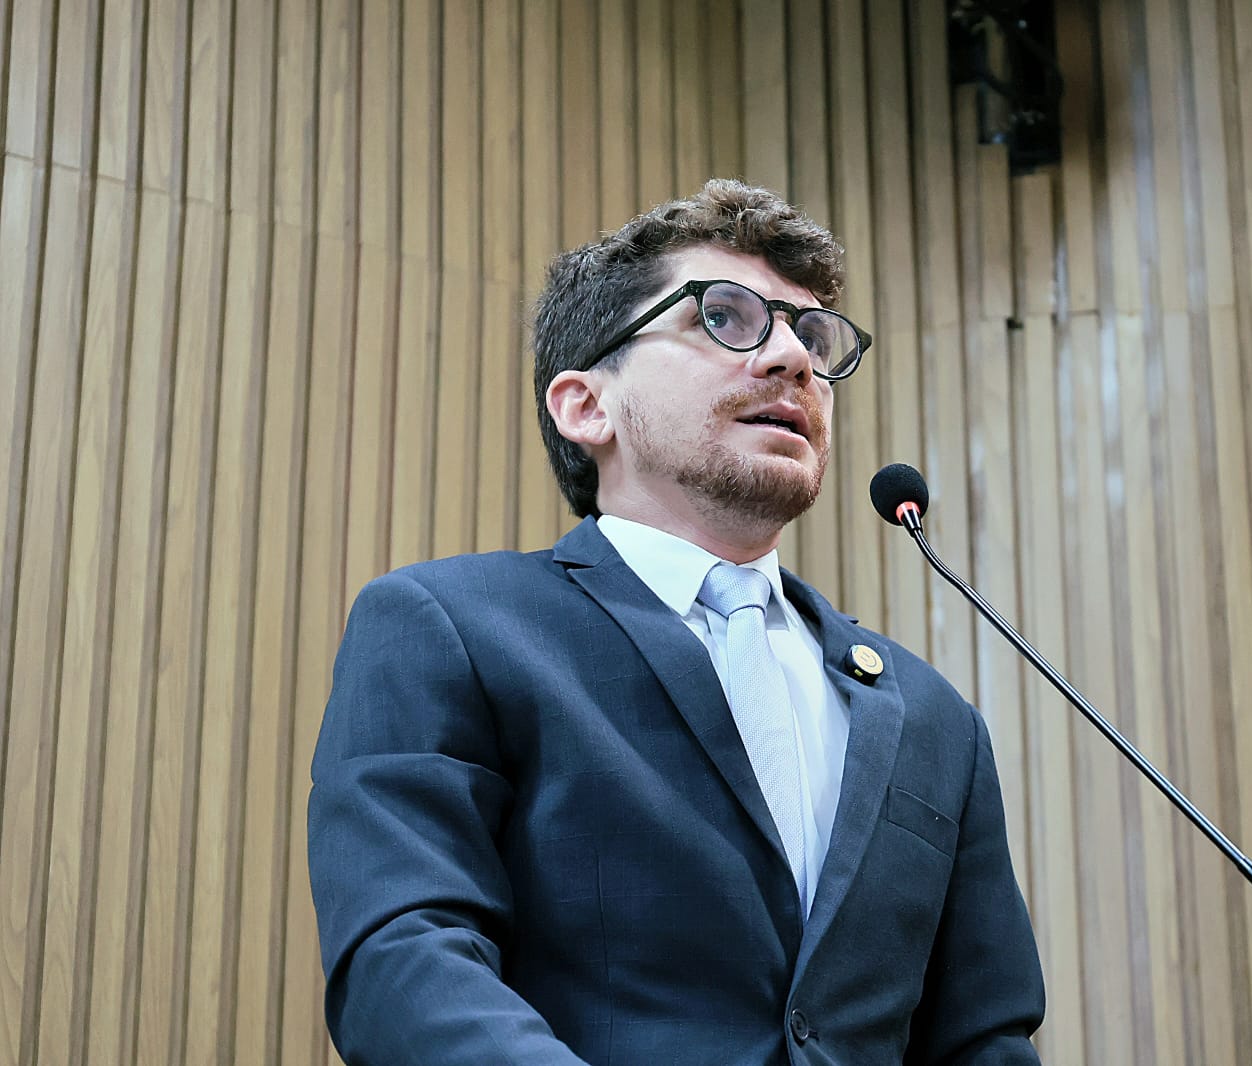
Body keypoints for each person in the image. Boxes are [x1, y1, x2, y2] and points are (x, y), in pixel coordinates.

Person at [307, 178, 1045, 1065]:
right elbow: (405, 960)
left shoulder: (933, 717)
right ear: (587, 405)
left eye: (812, 337)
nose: (794, 360)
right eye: (724, 318)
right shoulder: (452, 629)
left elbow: (984, 1037)